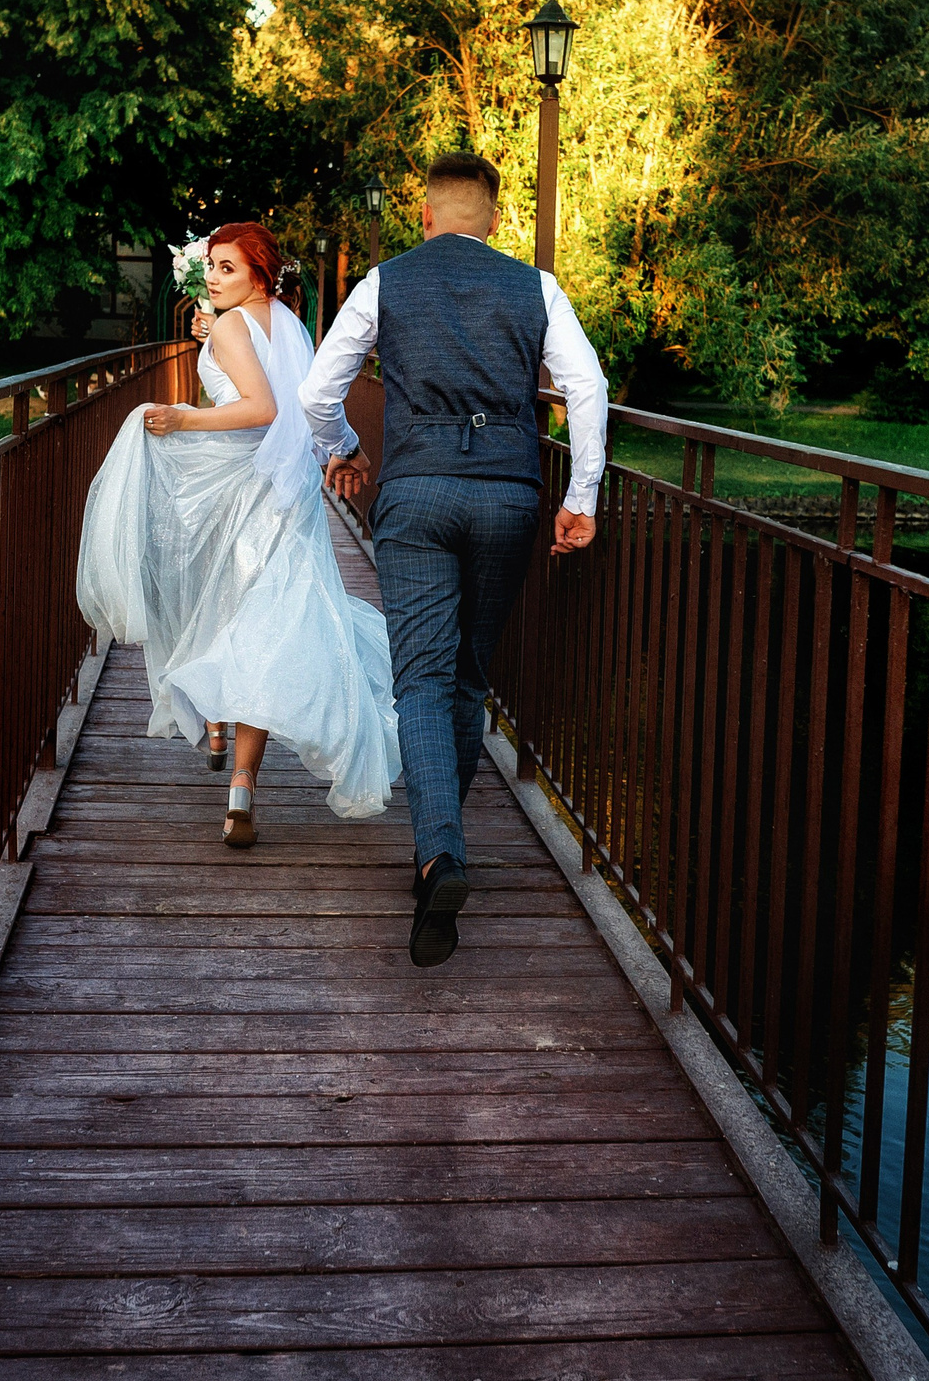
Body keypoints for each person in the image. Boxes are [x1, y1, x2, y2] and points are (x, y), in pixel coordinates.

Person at [300, 152, 609, 967]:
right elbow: (589, 388)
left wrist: (346, 448)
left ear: (426, 216)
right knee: (468, 677)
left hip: (417, 498)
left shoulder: (385, 281)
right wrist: (580, 496)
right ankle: (442, 850)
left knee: (422, 682)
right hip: (508, 496)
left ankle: (440, 855)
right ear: (496, 220)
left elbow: (315, 393)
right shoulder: (534, 286)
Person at [77, 223, 399, 844]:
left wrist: (182, 415)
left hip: (234, 488)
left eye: (228, 268)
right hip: (289, 495)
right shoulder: (292, 324)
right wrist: (215, 329)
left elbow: (262, 409)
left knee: (216, 608)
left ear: (259, 272)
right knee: (267, 623)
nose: (215, 279)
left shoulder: (229, 325)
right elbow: (294, 398)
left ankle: (217, 725)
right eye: (212, 268)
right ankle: (241, 789)